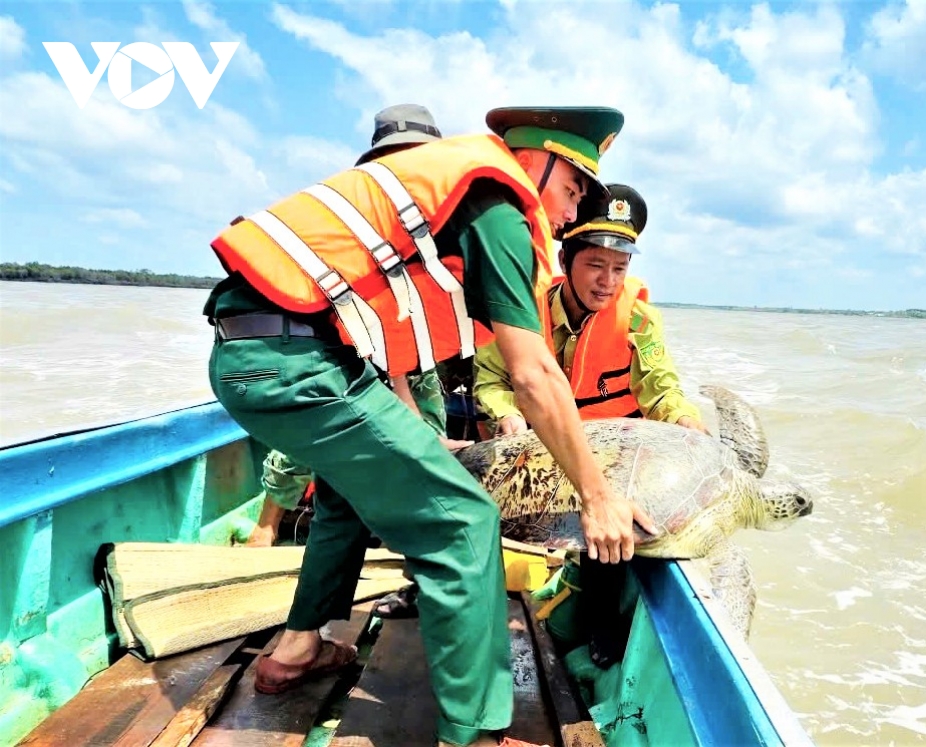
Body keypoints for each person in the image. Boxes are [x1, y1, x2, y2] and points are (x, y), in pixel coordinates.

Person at [204, 105, 657, 747]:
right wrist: (598, 495)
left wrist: (417, 436)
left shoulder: (450, 202)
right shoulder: (496, 201)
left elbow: (376, 344)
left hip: (260, 356)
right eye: (571, 189)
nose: (568, 214)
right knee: (464, 519)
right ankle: (474, 732)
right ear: (538, 162)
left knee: (343, 493)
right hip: (298, 367)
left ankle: (300, 647)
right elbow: (532, 375)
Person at [473, 184, 706, 668]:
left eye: (619, 269)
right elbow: (492, 379)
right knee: (472, 503)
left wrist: (686, 422)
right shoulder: (522, 313)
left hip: (613, 456)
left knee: (620, 518)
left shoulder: (639, 320)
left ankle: (602, 618)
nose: (607, 281)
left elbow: (661, 389)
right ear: (566, 260)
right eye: (595, 265)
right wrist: (507, 415)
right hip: (536, 448)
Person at [245, 104, 452, 551]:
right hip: (346, 353)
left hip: (419, 357)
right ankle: (266, 530)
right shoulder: (349, 230)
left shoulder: (443, 227)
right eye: (395, 164)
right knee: (319, 423)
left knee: (431, 437)